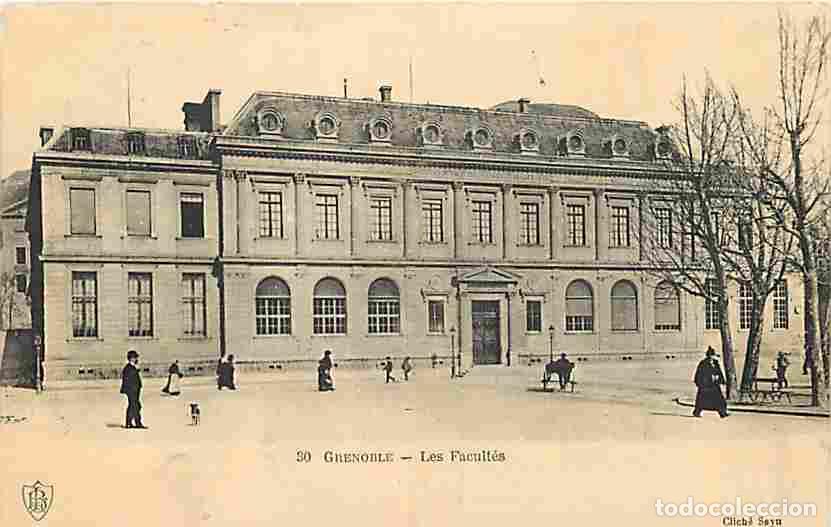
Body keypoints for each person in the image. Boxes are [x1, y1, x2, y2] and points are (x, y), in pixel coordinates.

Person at [693, 346, 729, 418]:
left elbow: (719, 372)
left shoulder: (715, 363)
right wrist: (701, 382)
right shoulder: (703, 363)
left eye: (713, 355)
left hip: (714, 385)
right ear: (708, 356)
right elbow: (699, 373)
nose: (712, 357)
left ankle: (722, 413)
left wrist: (721, 380)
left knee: (720, 400)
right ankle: (697, 412)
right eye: (710, 355)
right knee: (701, 401)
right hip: (706, 386)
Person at [119, 350, 146, 429]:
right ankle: (135, 423)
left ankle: (130, 423)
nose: (136, 359)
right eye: (135, 357)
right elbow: (128, 379)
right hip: (131, 390)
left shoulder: (133, 367)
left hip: (135, 389)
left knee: (134, 405)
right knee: (135, 405)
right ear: (131, 358)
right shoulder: (128, 368)